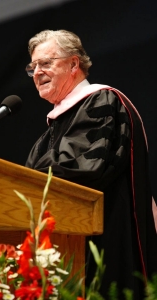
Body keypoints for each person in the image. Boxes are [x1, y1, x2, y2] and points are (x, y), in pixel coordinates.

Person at [25, 29, 157, 299]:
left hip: (104, 245)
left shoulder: (102, 101)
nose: (37, 72)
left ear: (74, 64)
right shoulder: (51, 130)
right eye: (33, 66)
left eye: (46, 63)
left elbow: (82, 169)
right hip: (69, 251)